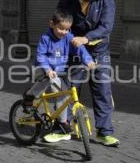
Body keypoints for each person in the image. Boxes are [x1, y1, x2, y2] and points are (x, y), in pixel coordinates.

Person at [57, 0, 120, 147]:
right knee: (71, 88)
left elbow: (106, 26)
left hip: (100, 52)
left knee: (102, 91)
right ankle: (62, 128)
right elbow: (60, 22)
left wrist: (87, 38)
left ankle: (104, 132)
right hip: (76, 51)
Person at [23, 10, 96, 143]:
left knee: (64, 95)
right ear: (52, 24)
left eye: (67, 29)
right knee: (50, 78)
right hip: (41, 69)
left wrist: (88, 61)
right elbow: (41, 56)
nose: (63, 32)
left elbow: (80, 49)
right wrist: (47, 69)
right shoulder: (45, 38)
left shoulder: (68, 37)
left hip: (58, 71)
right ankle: (29, 95)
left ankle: (62, 123)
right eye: (60, 28)